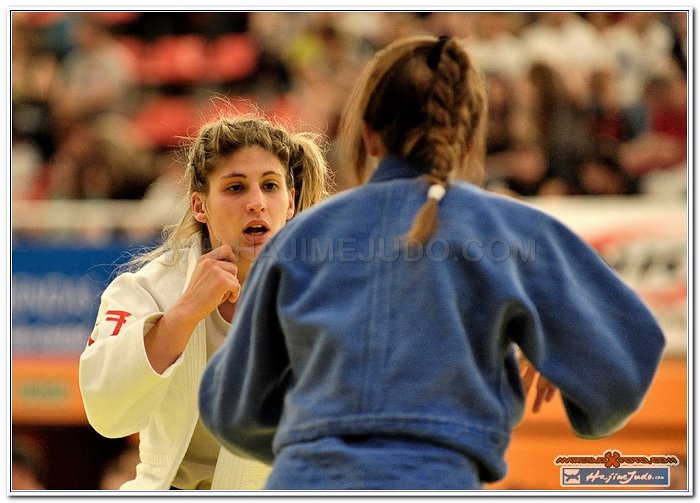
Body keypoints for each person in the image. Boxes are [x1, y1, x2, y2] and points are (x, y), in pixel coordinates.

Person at [198, 35, 666, 491]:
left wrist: (317, 438)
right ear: (470, 134)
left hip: (307, 482)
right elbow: (621, 372)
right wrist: (561, 359)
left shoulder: (300, 239)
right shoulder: (513, 233)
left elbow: (231, 411)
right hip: (438, 481)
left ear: (368, 134)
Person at [78, 112, 332, 490]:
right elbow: (106, 413)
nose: (257, 202)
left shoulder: (325, 295)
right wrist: (181, 316)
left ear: (291, 202)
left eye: (270, 186)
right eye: (235, 187)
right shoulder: (147, 289)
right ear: (200, 206)